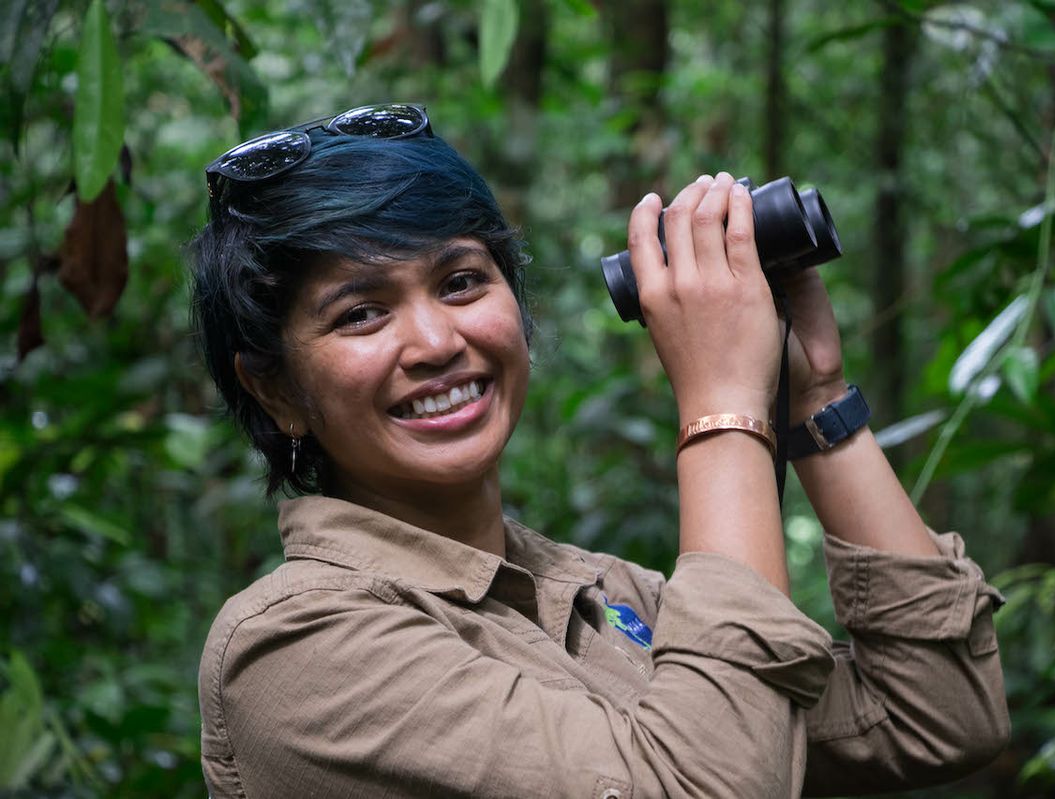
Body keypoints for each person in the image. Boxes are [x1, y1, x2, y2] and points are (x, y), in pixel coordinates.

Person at [192, 103, 1009, 798]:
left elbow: (939, 712)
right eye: (361, 313)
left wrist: (815, 396)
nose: (438, 340)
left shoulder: (602, 595)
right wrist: (723, 405)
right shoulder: (295, 647)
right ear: (276, 390)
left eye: (462, 281)